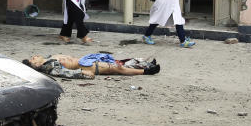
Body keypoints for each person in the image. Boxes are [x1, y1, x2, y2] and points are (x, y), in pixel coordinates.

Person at [24, 53, 160, 79]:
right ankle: (146, 72)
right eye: (33, 59)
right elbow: (65, 73)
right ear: (36, 65)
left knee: (118, 63)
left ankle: (146, 65)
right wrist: (82, 74)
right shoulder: (50, 66)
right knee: (117, 68)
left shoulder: (50, 57)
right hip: (87, 67)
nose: (34, 56)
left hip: (86, 59)